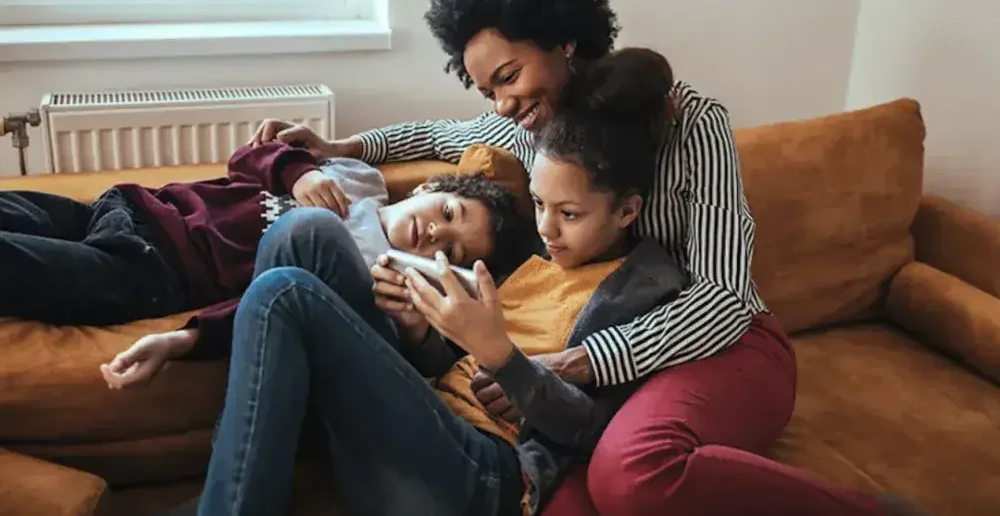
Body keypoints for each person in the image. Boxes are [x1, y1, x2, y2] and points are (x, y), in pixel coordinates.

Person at [250, 0, 933, 514]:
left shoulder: (689, 123)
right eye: (488, 88)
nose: (503, 104)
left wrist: (578, 362)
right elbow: (445, 133)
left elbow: (725, 297)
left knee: (629, 477)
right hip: (623, 356)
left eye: (510, 77)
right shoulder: (542, 134)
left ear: (565, 40)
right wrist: (346, 142)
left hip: (726, 341)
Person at [194, 47, 689, 516]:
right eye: (540, 204)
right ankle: (243, 479)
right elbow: (450, 362)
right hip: (425, 415)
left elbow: (593, 431)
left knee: (284, 293)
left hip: (481, 471)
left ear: (627, 210)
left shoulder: (648, 289)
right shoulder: (531, 250)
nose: (547, 228)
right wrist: (419, 333)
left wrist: (505, 359)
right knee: (308, 230)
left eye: (570, 213)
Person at [98, 165, 524, 389]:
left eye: (449, 251)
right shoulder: (360, 181)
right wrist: (300, 172)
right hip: (145, 205)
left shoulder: (379, 280)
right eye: (448, 213)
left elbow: (273, 303)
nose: (434, 233)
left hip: (161, 263)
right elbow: (248, 159)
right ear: (426, 187)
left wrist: (185, 338)